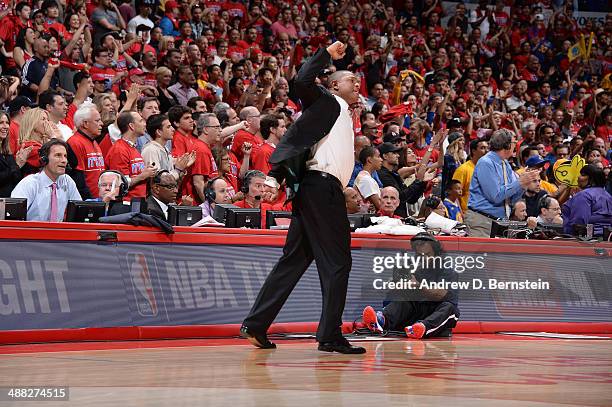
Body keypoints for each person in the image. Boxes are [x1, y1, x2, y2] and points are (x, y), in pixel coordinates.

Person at [241, 42, 366, 354]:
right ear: (334, 85)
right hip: (321, 190)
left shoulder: (339, 115)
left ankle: (256, 324)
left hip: (315, 188)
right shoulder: (328, 101)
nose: (358, 85)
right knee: (338, 261)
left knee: (293, 261)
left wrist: (278, 177)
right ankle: (330, 335)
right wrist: (326, 54)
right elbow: (301, 82)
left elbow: (301, 147)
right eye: (352, 80)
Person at [363, 233, 459, 339]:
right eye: (419, 256)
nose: (424, 259)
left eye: (427, 255)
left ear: (436, 254)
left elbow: (440, 294)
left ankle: (422, 328)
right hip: (417, 313)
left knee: (449, 308)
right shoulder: (412, 269)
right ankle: (381, 321)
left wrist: (418, 285)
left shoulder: (447, 271)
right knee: (403, 300)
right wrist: (397, 286)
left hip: (438, 314)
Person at [465, 129, 540, 237]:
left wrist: (524, 185)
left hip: (500, 223)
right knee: (482, 254)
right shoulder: (486, 163)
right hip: (482, 222)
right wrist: (519, 182)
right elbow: (495, 196)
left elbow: (512, 200)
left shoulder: (505, 164)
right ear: (508, 145)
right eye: (514, 143)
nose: (516, 146)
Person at [11, 139, 81, 221]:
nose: (64, 160)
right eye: (58, 155)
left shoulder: (67, 181)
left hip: (58, 232)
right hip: (31, 233)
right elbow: (13, 216)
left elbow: (79, 211)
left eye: (65, 156)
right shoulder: (29, 183)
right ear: (44, 160)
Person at [107, 111, 156, 199]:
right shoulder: (119, 150)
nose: (144, 124)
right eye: (141, 121)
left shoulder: (133, 148)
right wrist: (143, 175)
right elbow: (120, 183)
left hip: (138, 202)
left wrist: (147, 172)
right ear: (131, 126)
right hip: (126, 204)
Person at [562, 165, 612, 237]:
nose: (579, 177)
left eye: (583, 175)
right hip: (607, 239)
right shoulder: (608, 195)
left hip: (584, 241)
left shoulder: (584, 195)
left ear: (592, 179)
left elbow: (579, 222)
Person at [452, 139, 488, 212]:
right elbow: (454, 194)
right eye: (482, 148)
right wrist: (460, 214)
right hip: (469, 213)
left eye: (487, 148)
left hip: (486, 213)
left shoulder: (488, 169)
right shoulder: (463, 169)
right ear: (473, 151)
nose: (486, 151)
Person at [0, 112, 28, 197]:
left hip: (11, 202)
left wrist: (22, 162)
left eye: (7, 123)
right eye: (1, 123)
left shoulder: (8, 152)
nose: (5, 126)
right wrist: (16, 166)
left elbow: (16, 179)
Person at [354, 146, 383, 211]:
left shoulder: (366, 177)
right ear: (369, 160)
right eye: (378, 156)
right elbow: (380, 206)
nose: (381, 159)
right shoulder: (365, 179)